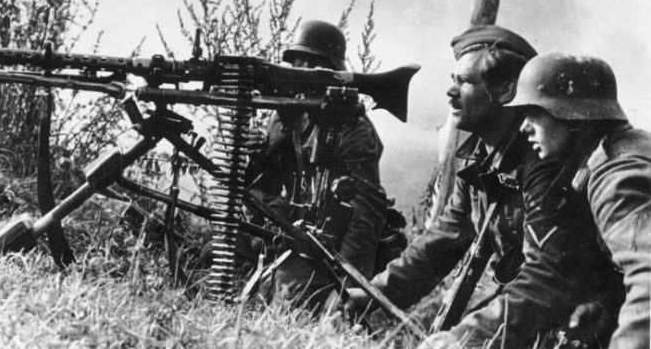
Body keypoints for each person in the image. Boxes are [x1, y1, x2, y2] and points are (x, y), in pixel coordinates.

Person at [346, 26, 619, 348]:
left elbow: (549, 277)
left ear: (505, 90)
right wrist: (374, 292)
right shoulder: (482, 158)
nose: (450, 92)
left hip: (582, 323)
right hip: (528, 308)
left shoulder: (542, 164)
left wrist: (465, 338)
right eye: (453, 80)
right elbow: (446, 237)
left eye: (464, 82)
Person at [503, 52, 650, 349]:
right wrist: (607, 308)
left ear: (572, 117)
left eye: (534, 113)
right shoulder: (629, 147)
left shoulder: (615, 175)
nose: (524, 127)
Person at [246, 19, 390, 312]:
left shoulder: (353, 127)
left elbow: (366, 213)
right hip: (289, 230)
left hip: (330, 246)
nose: (300, 73)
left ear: (329, 72)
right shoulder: (287, 116)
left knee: (288, 295)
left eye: (310, 65)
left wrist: (347, 287)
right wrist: (258, 159)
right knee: (215, 255)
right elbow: (263, 188)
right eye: (296, 64)